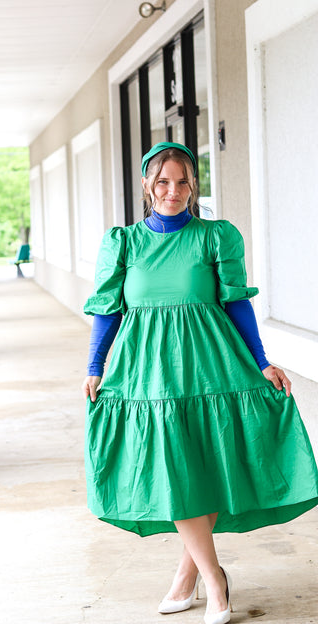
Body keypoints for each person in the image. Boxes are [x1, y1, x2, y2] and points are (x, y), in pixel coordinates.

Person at [81, 142, 318, 624]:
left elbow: (237, 304)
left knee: (206, 461)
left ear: (194, 186)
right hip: (147, 371)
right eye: (163, 181)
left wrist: (262, 362)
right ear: (148, 185)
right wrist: (94, 366)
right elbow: (106, 309)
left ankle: (197, 578)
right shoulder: (122, 243)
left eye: (183, 181)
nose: (173, 190)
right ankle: (212, 578)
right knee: (174, 469)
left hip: (213, 364)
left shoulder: (217, 237)